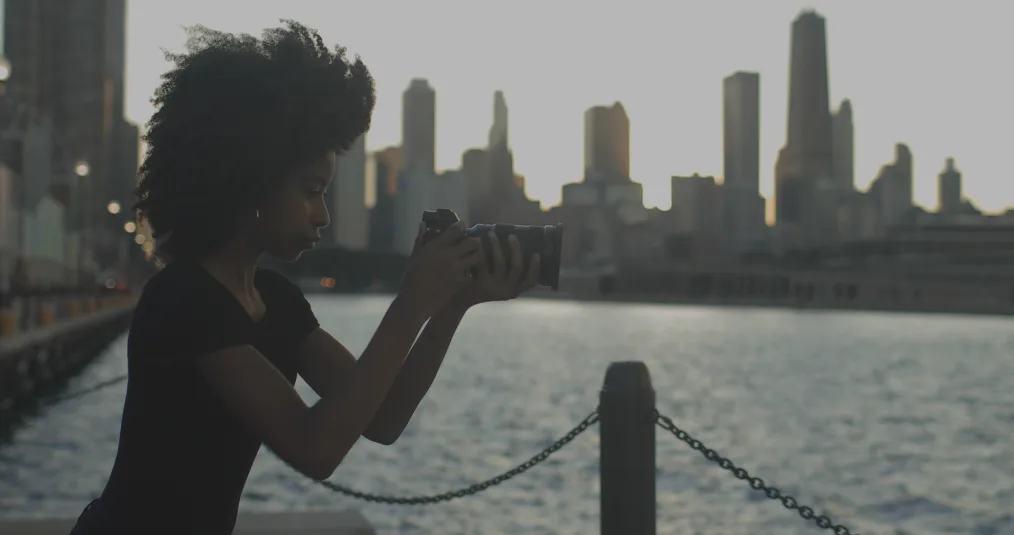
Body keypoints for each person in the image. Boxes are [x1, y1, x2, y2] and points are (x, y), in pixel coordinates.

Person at [70, 21, 541, 535]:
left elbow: (381, 420)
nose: (323, 215)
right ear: (250, 181)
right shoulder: (183, 299)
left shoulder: (276, 301)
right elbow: (315, 448)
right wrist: (410, 304)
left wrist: (451, 305)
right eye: (311, 190)